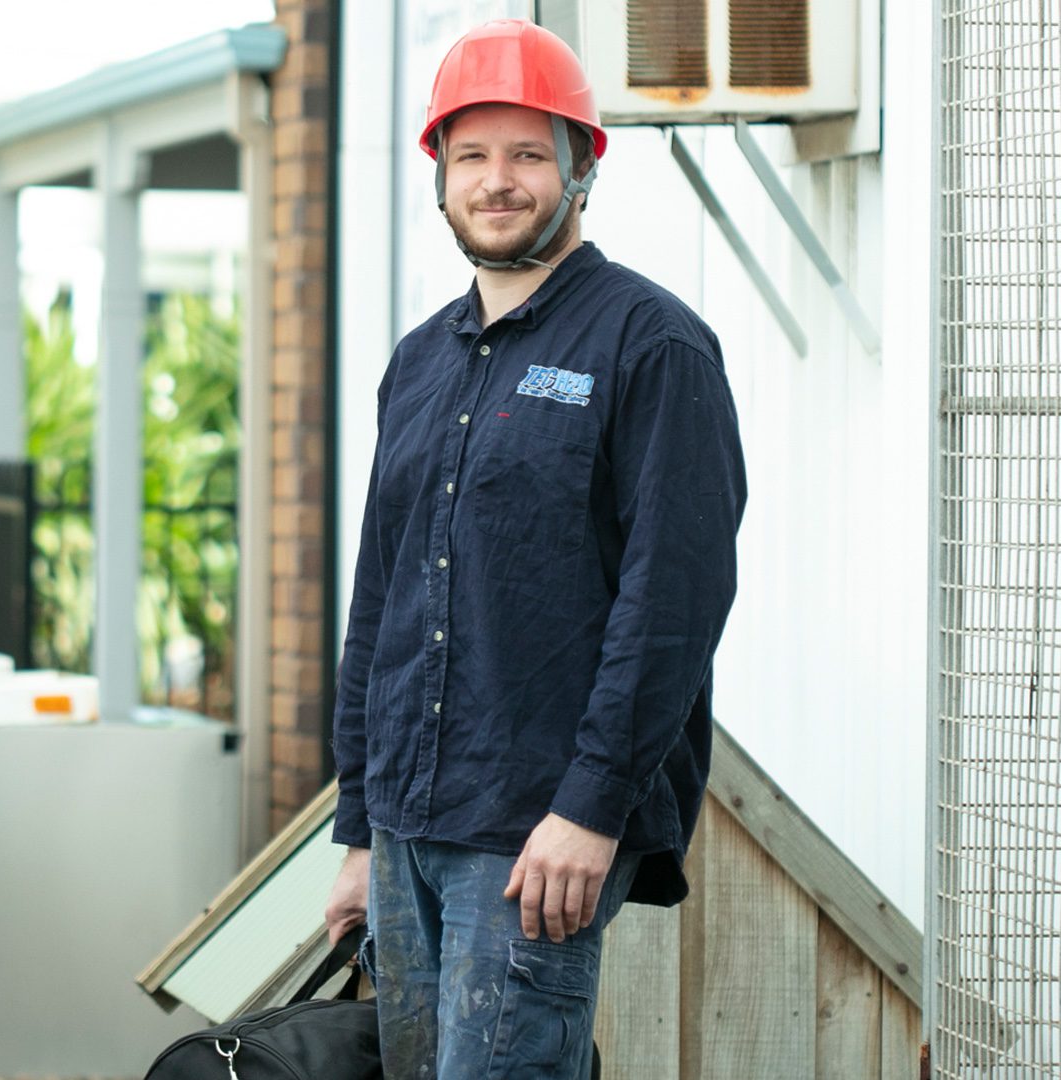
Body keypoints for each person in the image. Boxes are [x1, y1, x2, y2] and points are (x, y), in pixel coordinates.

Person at [319, 18, 747, 1080]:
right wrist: (359, 828)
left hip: (536, 839)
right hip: (410, 824)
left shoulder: (654, 346)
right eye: (472, 155)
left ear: (580, 166)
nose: (496, 181)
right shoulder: (419, 363)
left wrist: (589, 810)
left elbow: (674, 603)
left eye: (525, 154)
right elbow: (381, 601)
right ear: (441, 176)